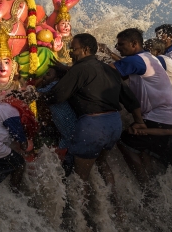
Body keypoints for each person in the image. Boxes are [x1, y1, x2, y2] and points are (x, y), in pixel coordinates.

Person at [45, 33, 143, 217]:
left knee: (80, 177)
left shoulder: (79, 70)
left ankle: (81, 220)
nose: (71, 53)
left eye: (73, 49)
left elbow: (57, 96)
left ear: (85, 50)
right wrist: (139, 121)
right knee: (102, 163)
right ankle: (117, 208)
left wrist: (36, 95)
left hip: (92, 127)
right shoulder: (108, 69)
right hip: (114, 124)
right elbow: (130, 99)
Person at [110, 28, 172, 195]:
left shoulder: (136, 60)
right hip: (169, 119)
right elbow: (125, 75)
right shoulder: (148, 57)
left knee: (124, 142)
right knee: (144, 151)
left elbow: (101, 71)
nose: (117, 47)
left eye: (121, 44)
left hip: (157, 119)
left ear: (134, 44)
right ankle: (153, 187)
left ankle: (145, 187)